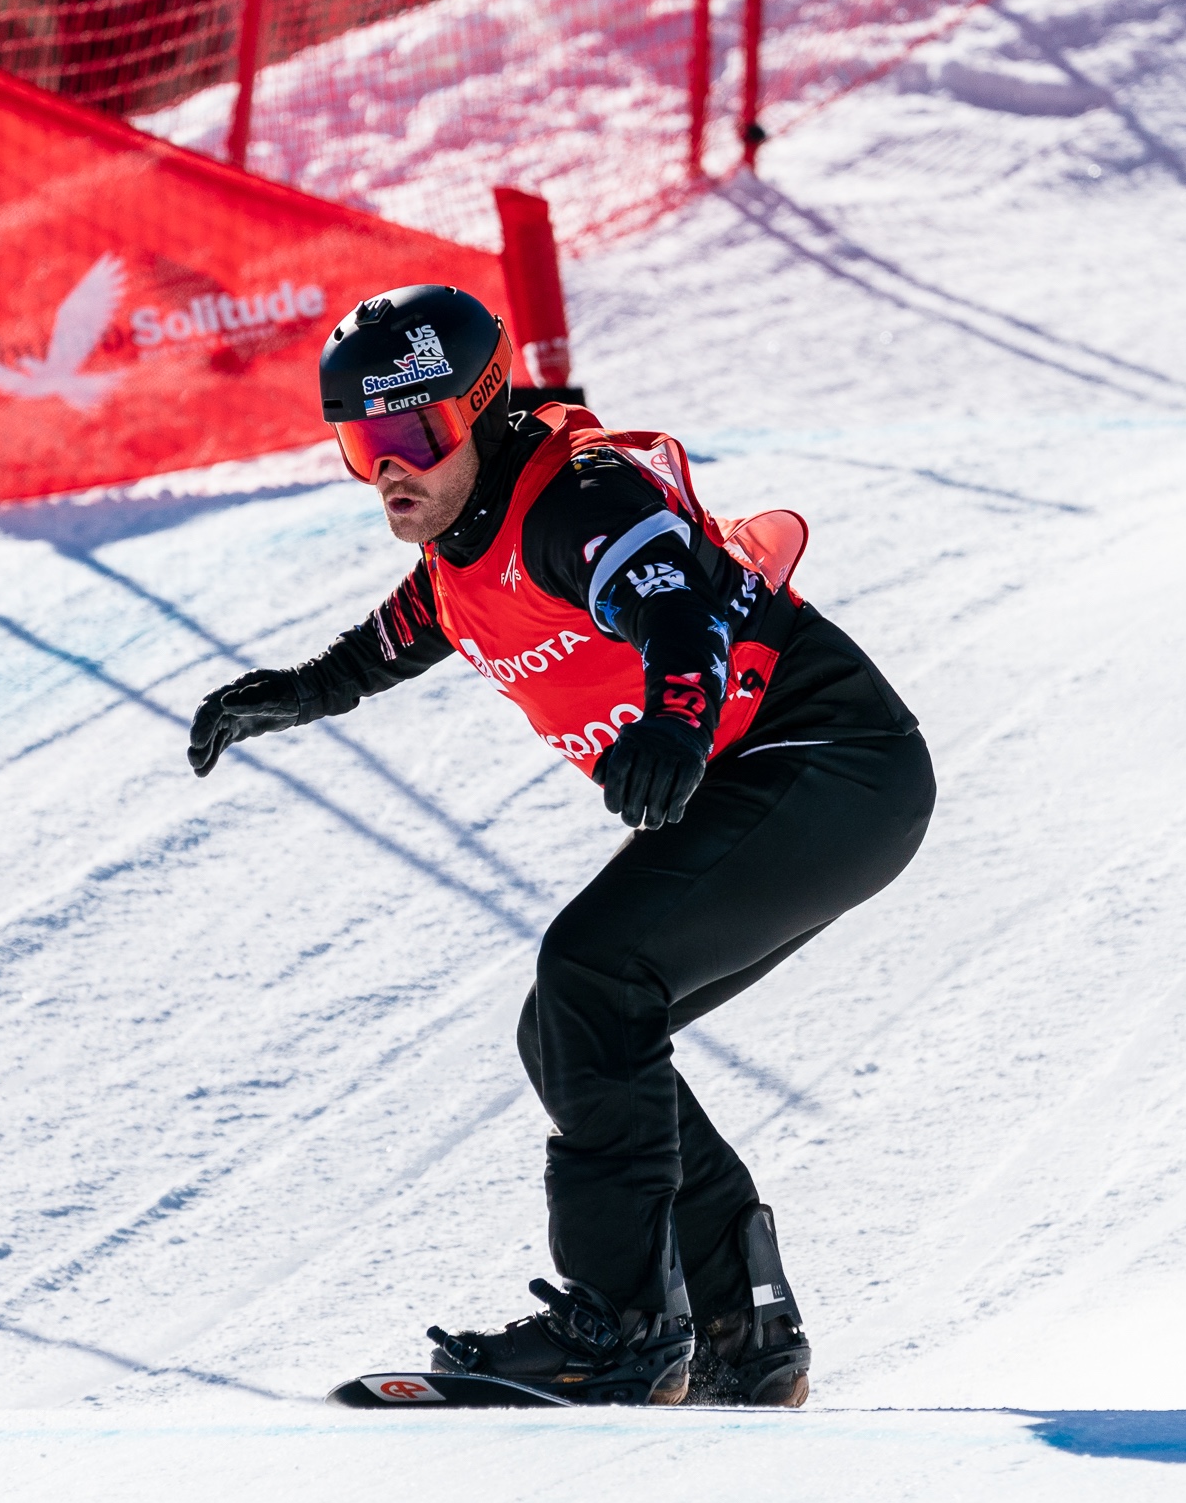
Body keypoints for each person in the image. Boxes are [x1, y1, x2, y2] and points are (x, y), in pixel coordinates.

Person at [188, 285, 933, 1406]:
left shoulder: (576, 500)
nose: (388, 471)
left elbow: (675, 609)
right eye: (360, 445)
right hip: (799, 778)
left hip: (829, 762)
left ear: (483, 407)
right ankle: (742, 1325)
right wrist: (298, 691)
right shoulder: (467, 541)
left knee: (590, 973)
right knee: (575, 1027)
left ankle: (619, 1331)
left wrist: (673, 722)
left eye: (413, 436)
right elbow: (404, 633)